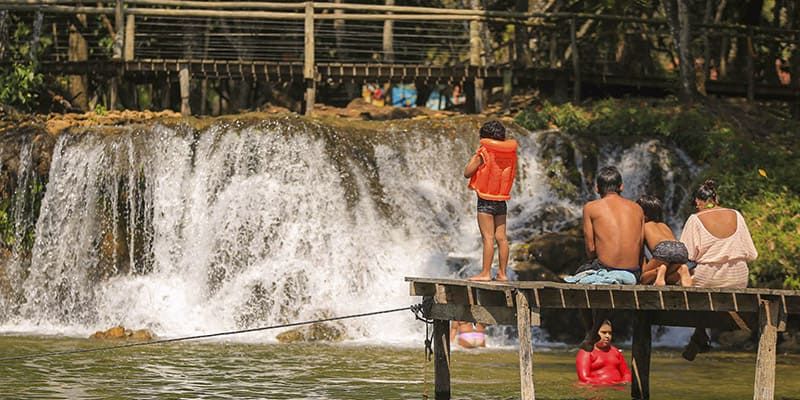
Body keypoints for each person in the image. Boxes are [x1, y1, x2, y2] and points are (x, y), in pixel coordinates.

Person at [680, 179, 758, 361]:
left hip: (708, 278)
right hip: (738, 278)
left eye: (696, 204)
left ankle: (699, 333)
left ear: (699, 201)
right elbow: (752, 254)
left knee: (685, 278)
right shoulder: (737, 215)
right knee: (705, 285)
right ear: (716, 197)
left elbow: (685, 254)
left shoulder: (695, 219)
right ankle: (699, 334)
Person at [572, 166, 643, 351]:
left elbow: (590, 248)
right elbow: (639, 244)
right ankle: (593, 331)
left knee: (578, 279)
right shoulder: (637, 208)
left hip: (608, 267)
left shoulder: (591, 207)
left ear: (597, 188)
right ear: (621, 186)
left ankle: (590, 330)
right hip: (633, 271)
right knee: (606, 282)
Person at [463, 120, 518, 282]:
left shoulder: (484, 152)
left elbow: (467, 172)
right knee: (501, 237)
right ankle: (502, 273)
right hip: (501, 201)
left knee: (488, 238)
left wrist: (476, 156)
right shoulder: (511, 153)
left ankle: (485, 273)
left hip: (485, 200)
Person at [636, 195, 692, 287]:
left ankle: (658, 270)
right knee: (668, 278)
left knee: (643, 278)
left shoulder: (644, 226)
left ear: (643, 214)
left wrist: (645, 269)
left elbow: (640, 250)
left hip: (663, 249)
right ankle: (682, 270)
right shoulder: (664, 226)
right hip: (681, 249)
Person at [576, 320, 631, 385]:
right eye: (604, 332)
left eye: (610, 333)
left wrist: (624, 382)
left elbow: (627, 373)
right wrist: (609, 384)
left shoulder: (615, 351)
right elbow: (584, 378)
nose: (607, 336)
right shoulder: (586, 352)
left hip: (617, 388)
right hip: (596, 390)